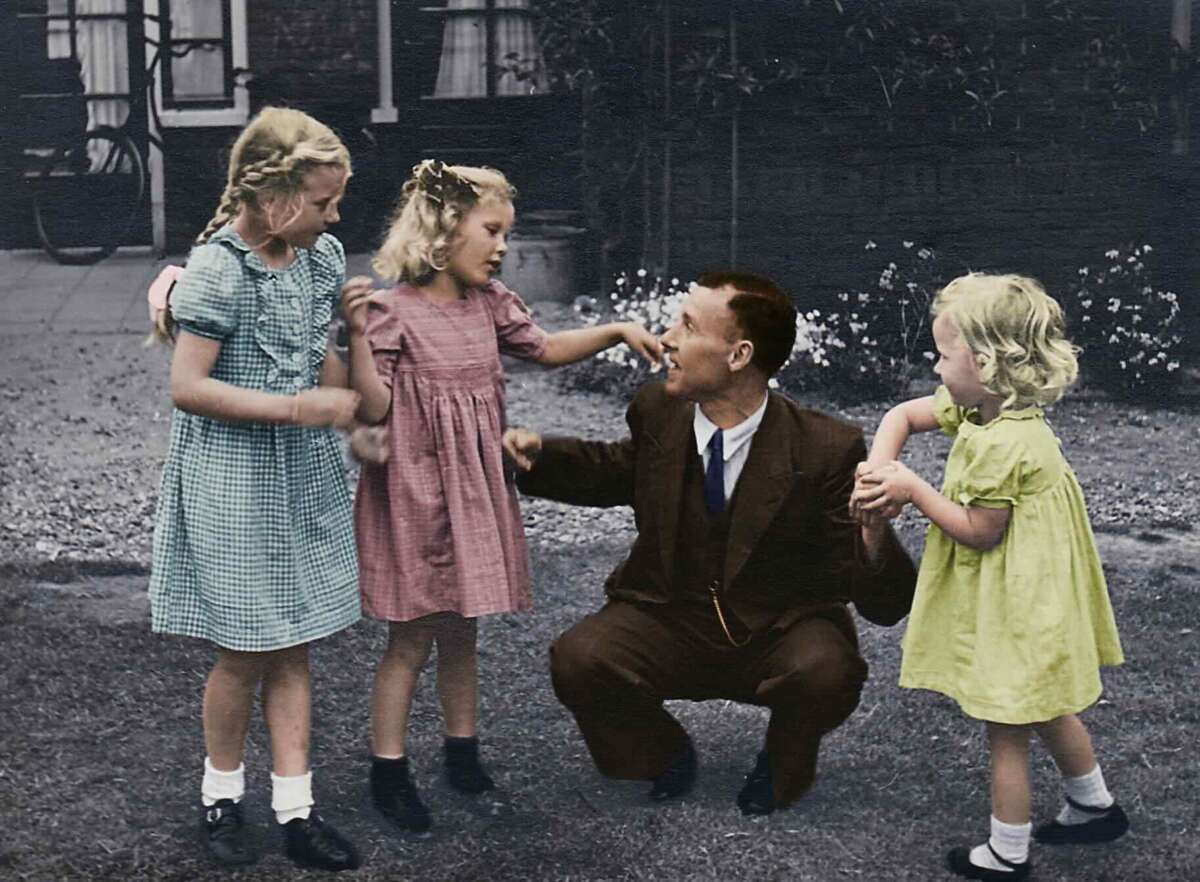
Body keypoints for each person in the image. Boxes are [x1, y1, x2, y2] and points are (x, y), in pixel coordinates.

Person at [502, 270, 918, 814]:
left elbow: (884, 604)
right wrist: (541, 456)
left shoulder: (826, 448)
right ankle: (663, 754)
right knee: (581, 659)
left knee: (825, 670)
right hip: (667, 618)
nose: (668, 337)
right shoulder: (659, 411)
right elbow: (621, 469)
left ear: (739, 354)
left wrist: (873, 530)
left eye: (688, 325)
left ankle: (782, 761)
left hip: (776, 632)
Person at [339, 159, 663, 833]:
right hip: (413, 498)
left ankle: (463, 754)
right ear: (442, 228)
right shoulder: (391, 314)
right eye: (490, 230)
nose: (501, 247)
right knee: (410, 639)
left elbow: (544, 348)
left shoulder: (490, 307)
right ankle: (389, 770)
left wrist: (615, 331)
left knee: (463, 632)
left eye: (504, 234)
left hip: (473, 495)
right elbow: (374, 408)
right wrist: (357, 344)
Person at [851, 273, 1127, 881]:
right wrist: (877, 472)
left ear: (982, 362)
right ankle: (1093, 806)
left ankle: (1007, 852)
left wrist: (912, 489)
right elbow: (903, 414)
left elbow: (979, 531)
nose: (936, 364)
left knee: (1007, 722)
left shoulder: (1007, 442)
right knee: (1048, 703)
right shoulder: (986, 405)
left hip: (1021, 601)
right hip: (1029, 591)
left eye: (943, 354)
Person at [149, 107, 363, 872]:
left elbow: (325, 372)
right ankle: (221, 793)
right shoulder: (217, 268)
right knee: (244, 651)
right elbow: (188, 387)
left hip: (299, 477)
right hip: (234, 478)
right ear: (273, 198)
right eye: (324, 201)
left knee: (295, 643)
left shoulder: (319, 259)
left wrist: (351, 345)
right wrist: (297, 408)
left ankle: (297, 811)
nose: (336, 216)